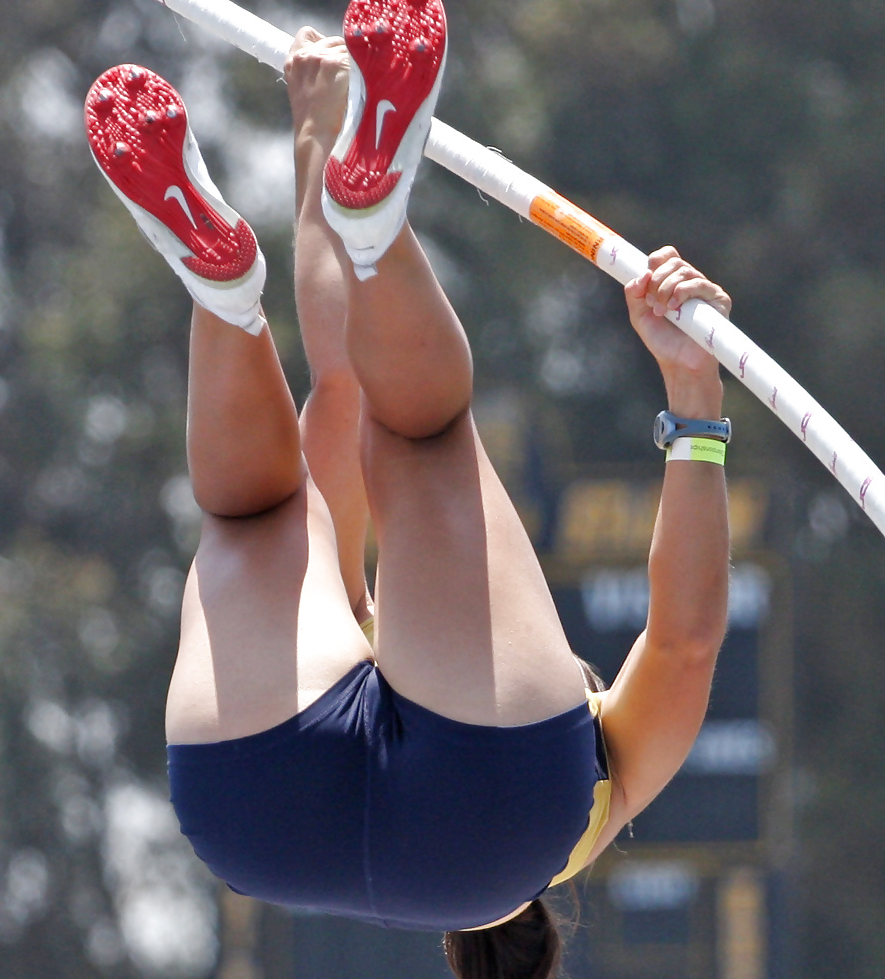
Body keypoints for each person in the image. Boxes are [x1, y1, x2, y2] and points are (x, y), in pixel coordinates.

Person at [84, 0, 731, 975]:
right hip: (254, 822)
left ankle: (376, 234)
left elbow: (682, 644)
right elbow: (332, 400)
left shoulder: (590, 792)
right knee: (254, 515)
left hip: (499, 814)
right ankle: (225, 300)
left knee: (423, 439)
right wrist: (312, 142)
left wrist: (694, 399)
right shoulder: (346, 628)